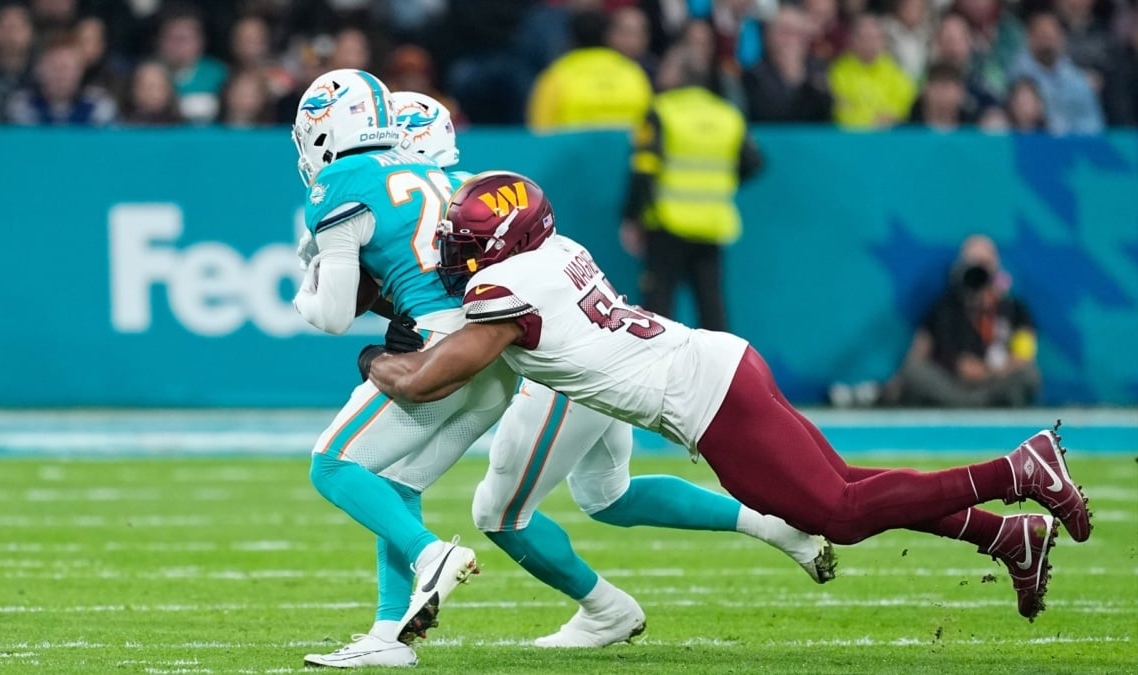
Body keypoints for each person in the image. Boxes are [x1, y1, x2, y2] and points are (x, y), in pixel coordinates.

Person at [367, 171, 1094, 623]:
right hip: (718, 362)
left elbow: (430, 379)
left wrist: (375, 359)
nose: (459, 255)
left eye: (470, 242)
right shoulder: (554, 252)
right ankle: (1005, 536)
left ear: (507, 242)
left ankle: (1018, 471)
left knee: (838, 515)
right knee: (846, 487)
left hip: (705, 397)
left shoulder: (505, 288)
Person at [309, 90, 834, 668]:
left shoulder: (437, 206)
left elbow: (470, 315)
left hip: (562, 371)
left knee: (498, 514)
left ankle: (604, 608)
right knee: (608, 495)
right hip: (600, 348)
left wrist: (381, 334)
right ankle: (768, 529)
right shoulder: (477, 195)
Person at [289, 70, 502, 669]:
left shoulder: (339, 181)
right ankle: (388, 636)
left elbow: (334, 316)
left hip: (438, 345)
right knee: (397, 484)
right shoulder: (445, 173)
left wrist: (303, 291)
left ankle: (430, 554)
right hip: (498, 350)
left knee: (332, 465)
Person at [622, 48, 761, 332]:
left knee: (659, 307)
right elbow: (753, 162)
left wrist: (631, 217)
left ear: (678, 75)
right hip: (711, 223)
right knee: (711, 307)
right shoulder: (726, 114)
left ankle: (657, 362)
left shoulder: (661, 111)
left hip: (667, 223)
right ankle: (720, 362)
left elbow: (644, 170)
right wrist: (719, 183)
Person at [882, 235, 1042, 408]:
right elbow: (918, 352)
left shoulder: (1015, 309)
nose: (979, 272)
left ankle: (980, 402)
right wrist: (957, 366)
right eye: (973, 265)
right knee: (914, 372)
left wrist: (990, 371)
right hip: (954, 385)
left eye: (984, 265)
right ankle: (973, 403)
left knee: (1029, 374)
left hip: (995, 382)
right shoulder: (944, 307)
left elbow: (1024, 355)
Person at [527, 9, 652, 132]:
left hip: (572, 146)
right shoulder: (634, 73)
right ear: (607, 36)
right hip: (626, 146)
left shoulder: (556, 75)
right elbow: (648, 126)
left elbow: (540, 131)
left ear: (570, 36)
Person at [1010, 11, 1104, 135]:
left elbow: (1092, 124)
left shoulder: (1077, 80)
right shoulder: (1016, 75)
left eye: (1051, 37)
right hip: (1028, 141)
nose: (1047, 44)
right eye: (1042, 36)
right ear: (1029, 38)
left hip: (1071, 143)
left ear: (1062, 39)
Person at [743, 5, 833, 123]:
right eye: (785, 32)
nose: (791, 41)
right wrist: (793, 79)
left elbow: (826, 113)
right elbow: (769, 116)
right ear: (768, 36)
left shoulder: (819, 69)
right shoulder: (754, 74)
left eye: (798, 33)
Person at [828, 13, 916, 128]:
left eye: (874, 38)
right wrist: (871, 123)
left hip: (888, 136)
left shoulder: (897, 73)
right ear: (853, 40)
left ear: (883, 41)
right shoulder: (838, 72)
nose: (869, 44)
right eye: (864, 38)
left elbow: (902, 110)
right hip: (848, 136)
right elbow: (840, 112)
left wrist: (890, 117)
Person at [6, 34, 116, 126]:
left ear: (81, 71)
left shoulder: (98, 104)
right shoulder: (21, 104)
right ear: (39, 70)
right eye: (54, 67)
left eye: (67, 68)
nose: (61, 75)